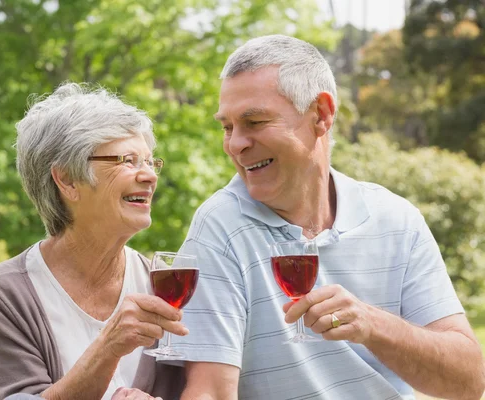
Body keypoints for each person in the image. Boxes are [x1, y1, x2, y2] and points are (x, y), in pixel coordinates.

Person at [167, 35, 485, 400]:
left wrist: (372, 324)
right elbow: (209, 392)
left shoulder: (396, 219)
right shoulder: (220, 228)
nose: (235, 144)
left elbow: (468, 383)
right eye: (227, 127)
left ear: (321, 115)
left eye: (254, 121)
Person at [0, 82, 187, 400]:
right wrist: (108, 347)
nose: (150, 176)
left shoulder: (168, 284)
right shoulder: (5, 292)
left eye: (150, 161)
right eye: (128, 161)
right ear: (68, 180)